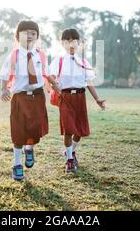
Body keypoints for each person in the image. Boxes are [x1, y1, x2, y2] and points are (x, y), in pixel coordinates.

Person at [0, 20, 59, 181]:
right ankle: (17, 165)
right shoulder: (14, 55)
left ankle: (29, 148)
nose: (30, 36)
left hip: (38, 97)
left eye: (33, 33)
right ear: (17, 36)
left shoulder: (40, 54)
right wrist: (4, 88)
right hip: (20, 97)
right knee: (18, 132)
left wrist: (55, 85)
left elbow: (45, 73)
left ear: (37, 36)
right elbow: (5, 74)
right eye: (25, 33)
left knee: (34, 128)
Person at [49, 28, 106, 173]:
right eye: (67, 41)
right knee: (68, 130)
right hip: (66, 98)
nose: (71, 44)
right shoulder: (59, 61)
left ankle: (71, 151)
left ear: (79, 42)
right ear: (62, 44)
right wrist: (54, 86)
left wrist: (97, 99)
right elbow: (51, 78)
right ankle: (69, 160)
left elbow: (89, 82)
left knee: (79, 131)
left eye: (74, 40)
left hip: (80, 98)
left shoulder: (83, 62)